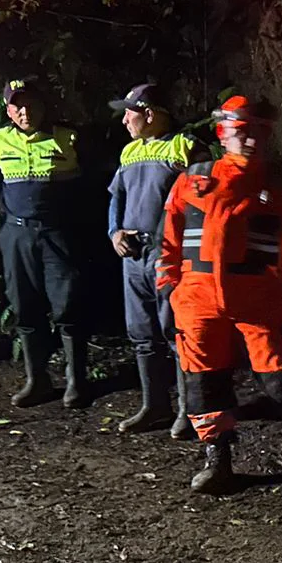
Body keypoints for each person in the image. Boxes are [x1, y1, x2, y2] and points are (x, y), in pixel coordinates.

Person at [157, 95, 282, 494]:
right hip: (196, 299)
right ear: (223, 132)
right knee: (203, 381)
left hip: (257, 300)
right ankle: (218, 459)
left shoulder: (280, 190)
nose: (251, 140)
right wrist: (166, 288)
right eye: (242, 132)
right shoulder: (193, 180)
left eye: (260, 133)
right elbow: (168, 240)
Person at [0, 78, 92, 408]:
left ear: (43, 104)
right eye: (17, 105)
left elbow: (89, 183)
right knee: (24, 304)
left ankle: (77, 380)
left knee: (67, 304)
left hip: (58, 233)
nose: (25, 110)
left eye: (31, 103)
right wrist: (13, 217)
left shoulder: (68, 137)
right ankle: (37, 379)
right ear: (9, 110)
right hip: (17, 234)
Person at [106, 82, 203, 435]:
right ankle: (154, 406)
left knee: (176, 331)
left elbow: (203, 203)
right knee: (142, 333)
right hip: (133, 254)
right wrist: (114, 232)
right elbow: (116, 198)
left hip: (170, 254)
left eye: (129, 113)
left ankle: (189, 411)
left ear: (149, 113)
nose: (124, 121)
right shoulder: (129, 152)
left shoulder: (187, 148)